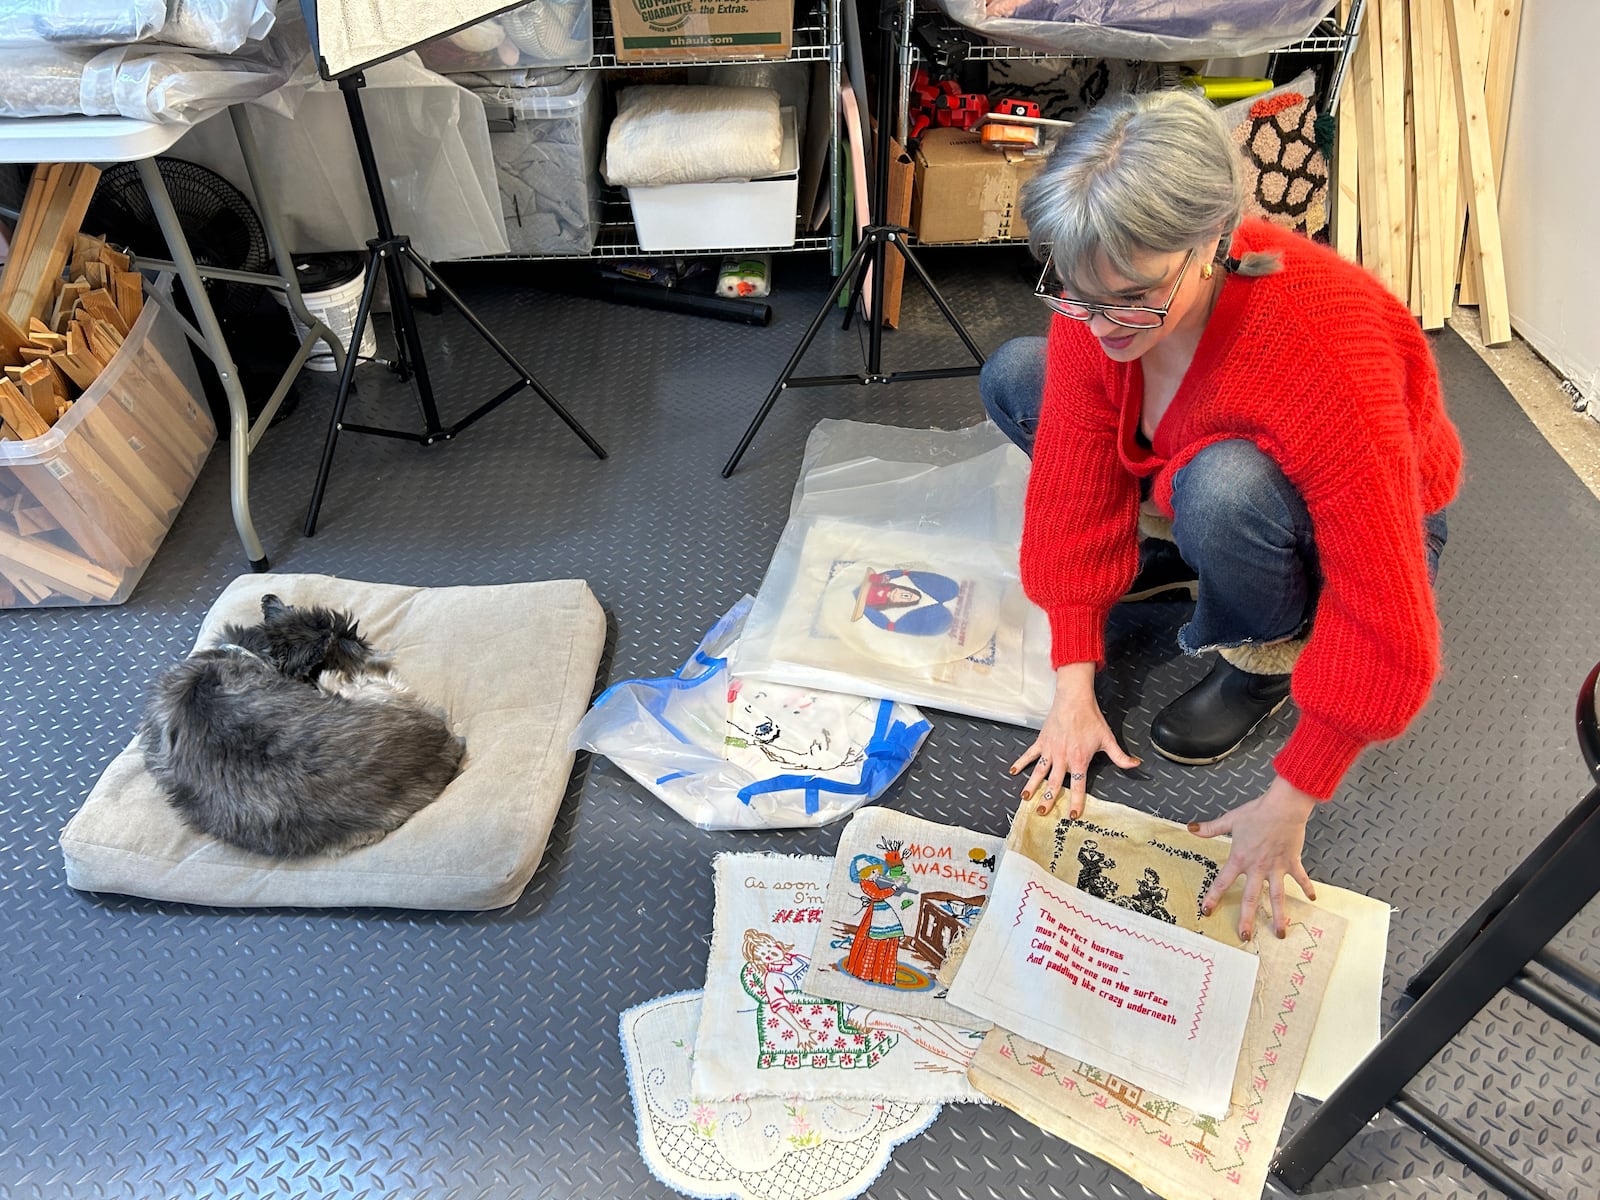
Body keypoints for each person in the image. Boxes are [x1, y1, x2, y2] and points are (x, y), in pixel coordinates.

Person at [986, 89, 1462, 940]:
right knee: (1022, 374)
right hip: (1189, 456)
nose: (1097, 324)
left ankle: (1267, 643)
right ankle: (1194, 556)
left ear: (1212, 242)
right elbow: (1071, 478)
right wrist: (1073, 682)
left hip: (1348, 522)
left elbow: (1391, 622)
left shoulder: (1324, 346)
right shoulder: (1103, 291)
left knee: (1226, 488)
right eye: (1073, 290)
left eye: (1129, 297)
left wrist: (1294, 799)